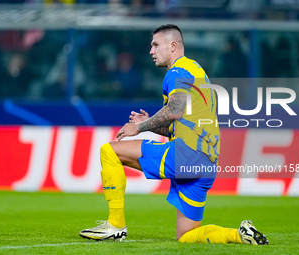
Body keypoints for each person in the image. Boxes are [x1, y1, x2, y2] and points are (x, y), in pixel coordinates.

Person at [79, 24, 269, 245]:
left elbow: (175, 110)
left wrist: (137, 128)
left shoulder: (178, 71)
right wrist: (148, 124)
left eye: (156, 45)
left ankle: (116, 225)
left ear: (173, 46)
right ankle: (239, 235)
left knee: (109, 151)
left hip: (186, 154)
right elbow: (179, 121)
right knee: (187, 236)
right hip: (206, 163)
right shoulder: (198, 73)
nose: (151, 50)